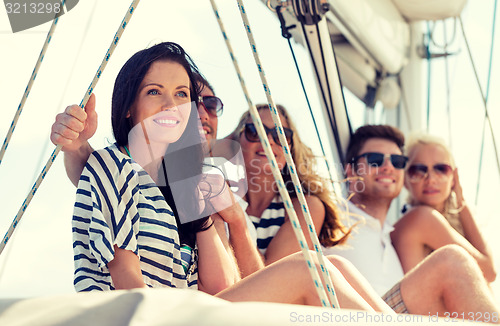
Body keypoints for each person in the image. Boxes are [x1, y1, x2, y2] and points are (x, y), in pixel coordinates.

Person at [55, 41, 393, 312]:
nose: (172, 105)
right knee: (313, 269)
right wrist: (75, 144)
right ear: (129, 105)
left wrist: (204, 211)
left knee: (335, 268)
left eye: (182, 95)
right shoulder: (113, 166)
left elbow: (221, 288)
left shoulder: (187, 185)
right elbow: (124, 278)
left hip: (191, 311)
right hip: (142, 316)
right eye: (155, 91)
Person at [322, 124, 499, 320]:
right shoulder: (328, 214)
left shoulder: (389, 235)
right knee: (452, 260)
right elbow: (489, 271)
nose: (388, 167)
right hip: (368, 318)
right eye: (375, 160)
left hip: (394, 315)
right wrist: (462, 201)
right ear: (350, 171)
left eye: (398, 161)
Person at [222, 105, 350, 265]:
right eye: (254, 131)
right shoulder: (217, 192)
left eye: (280, 135)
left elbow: (270, 281)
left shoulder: (305, 208)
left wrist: (236, 220)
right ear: (236, 140)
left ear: (290, 148)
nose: (267, 140)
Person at [391, 133, 496, 280]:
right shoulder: (421, 219)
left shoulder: (455, 220)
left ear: (454, 177)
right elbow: (489, 272)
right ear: (405, 180)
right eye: (418, 170)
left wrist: (461, 202)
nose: (431, 179)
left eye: (441, 169)